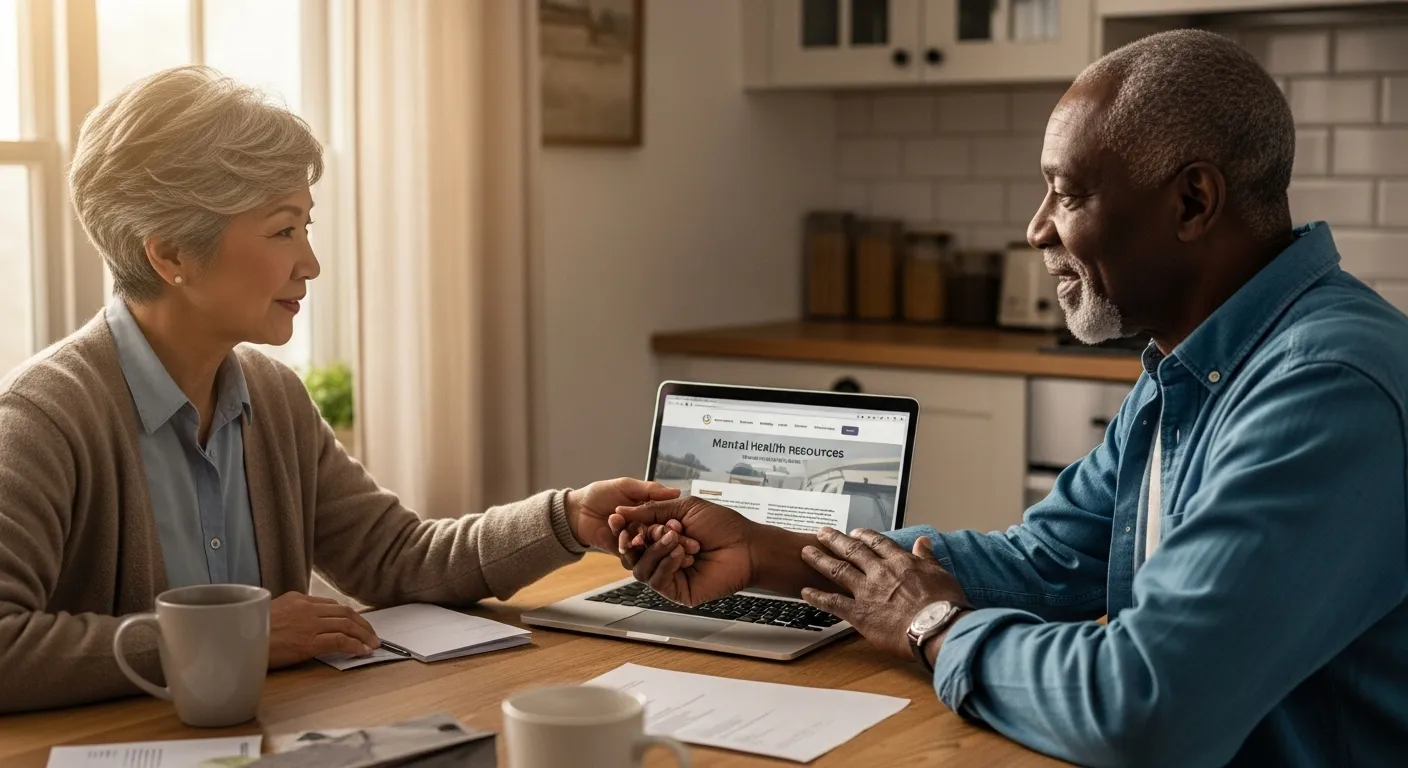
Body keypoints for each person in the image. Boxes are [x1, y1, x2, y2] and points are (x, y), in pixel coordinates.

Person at [611, 29, 1408, 766]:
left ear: (1192, 202)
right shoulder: (1194, 364)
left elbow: (1146, 706)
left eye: (1065, 193)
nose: (1036, 230)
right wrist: (764, 551)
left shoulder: (1325, 389)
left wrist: (932, 627)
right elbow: (1047, 561)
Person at [0, 66, 697, 714]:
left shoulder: (272, 398)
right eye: (283, 230)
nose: (311, 262)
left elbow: (396, 559)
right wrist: (235, 636)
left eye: (306, 225)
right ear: (171, 253)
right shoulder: (44, 418)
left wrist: (568, 518)